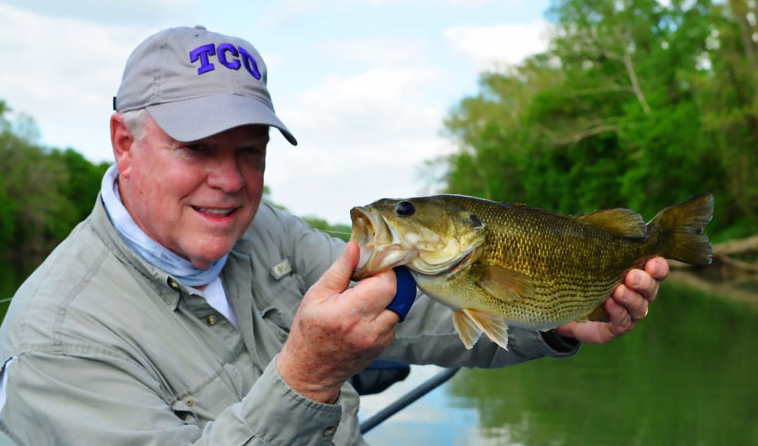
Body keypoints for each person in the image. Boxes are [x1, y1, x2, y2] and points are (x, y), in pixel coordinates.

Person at [0, 26, 668, 446]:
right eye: (199, 149)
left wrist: (556, 324)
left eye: (251, 150)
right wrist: (306, 375)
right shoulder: (55, 344)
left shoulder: (265, 235)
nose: (230, 181)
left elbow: (419, 310)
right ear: (124, 143)